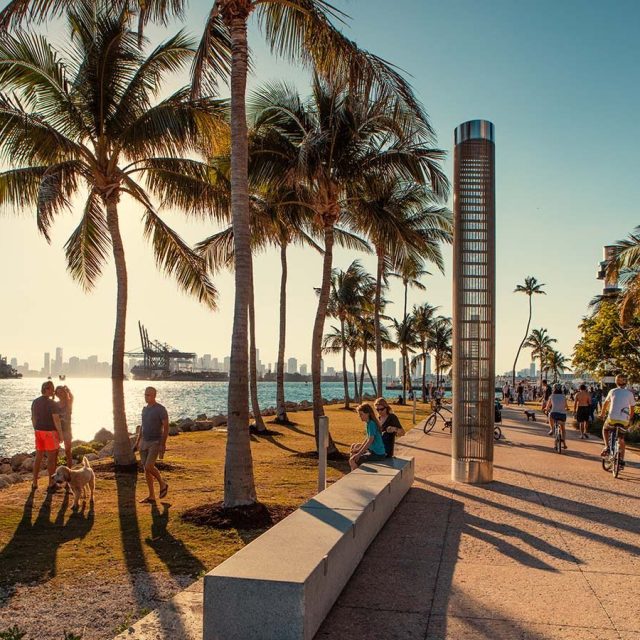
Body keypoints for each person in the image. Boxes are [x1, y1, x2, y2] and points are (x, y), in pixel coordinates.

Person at [134, 386, 169, 503]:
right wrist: (138, 442)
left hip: (155, 442)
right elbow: (142, 427)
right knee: (146, 470)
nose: (146, 397)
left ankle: (162, 483)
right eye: (145, 394)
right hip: (144, 442)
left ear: (154, 396)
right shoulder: (144, 409)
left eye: (148, 395)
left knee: (149, 466)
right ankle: (151, 496)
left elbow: (166, 427)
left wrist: (162, 444)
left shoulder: (160, 409)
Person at [31, 380, 63, 491]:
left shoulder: (35, 402)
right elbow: (56, 420)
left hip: (38, 431)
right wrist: (60, 434)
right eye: (52, 388)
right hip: (50, 433)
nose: (53, 391)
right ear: (47, 389)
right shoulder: (52, 403)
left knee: (38, 458)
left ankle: (34, 483)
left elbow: (33, 418)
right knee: (51, 459)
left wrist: (36, 428)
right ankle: (51, 484)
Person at [600, 374, 635, 468]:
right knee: (621, 439)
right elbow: (632, 409)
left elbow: (605, 404)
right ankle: (621, 460)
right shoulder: (630, 393)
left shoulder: (612, 391)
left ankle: (607, 446)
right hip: (624, 421)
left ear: (616, 382)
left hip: (612, 419)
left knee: (605, 429)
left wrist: (602, 414)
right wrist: (629, 419)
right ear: (626, 382)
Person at [349, 403, 387, 470]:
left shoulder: (371, 424)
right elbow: (367, 439)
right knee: (355, 446)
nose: (359, 416)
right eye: (359, 414)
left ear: (368, 414)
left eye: (361, 414)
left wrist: (359, 454)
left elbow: (370, 441)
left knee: (352, 460)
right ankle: (356, 467)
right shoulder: (369, 423)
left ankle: (355, 475)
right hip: (374, 451)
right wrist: (359, 449)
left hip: (377, 454)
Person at [55, 385, 74, 466]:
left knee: (68, 451)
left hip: (67, 430)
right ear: (56, 394)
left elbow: (72, 397)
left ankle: (69, 470)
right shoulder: (55, 404)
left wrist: (68, 390)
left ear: (64, 393)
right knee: (55, 452)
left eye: (61, 392)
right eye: (58, 393)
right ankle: (55, 472)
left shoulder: (68, 403)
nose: (60, 394)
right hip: (57, 430)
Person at [545, 384, 569, 448]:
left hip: (554, 414)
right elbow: (566, 406)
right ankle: (564, 443)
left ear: (554, 389)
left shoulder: (552, 396)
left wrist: (546, 409)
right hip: (562, 415)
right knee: (563, 428)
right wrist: (567, 408)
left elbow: (548, 406)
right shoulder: (563, 396)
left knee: (550, 414)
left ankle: (552, 429)